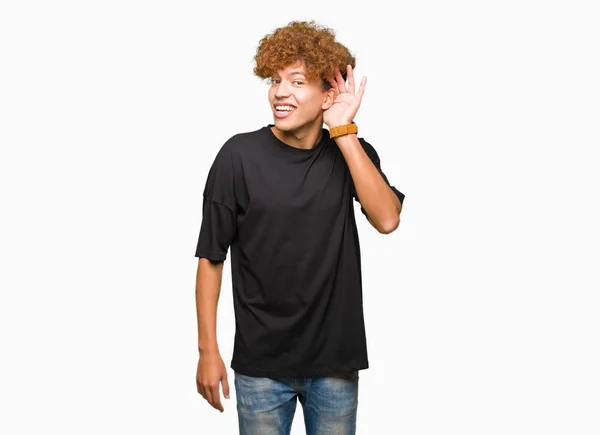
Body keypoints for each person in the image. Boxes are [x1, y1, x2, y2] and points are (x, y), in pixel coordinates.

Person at [194, 20, 405, 435]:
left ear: (328, 94)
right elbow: (211, 257)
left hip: (334, 366)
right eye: (275, 80)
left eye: (297, 81)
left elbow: (387, 219)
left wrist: (343, 132)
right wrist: (208, 350)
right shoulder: (238, 155)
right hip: (260, 368)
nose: (280, 92)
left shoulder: (352, 154)